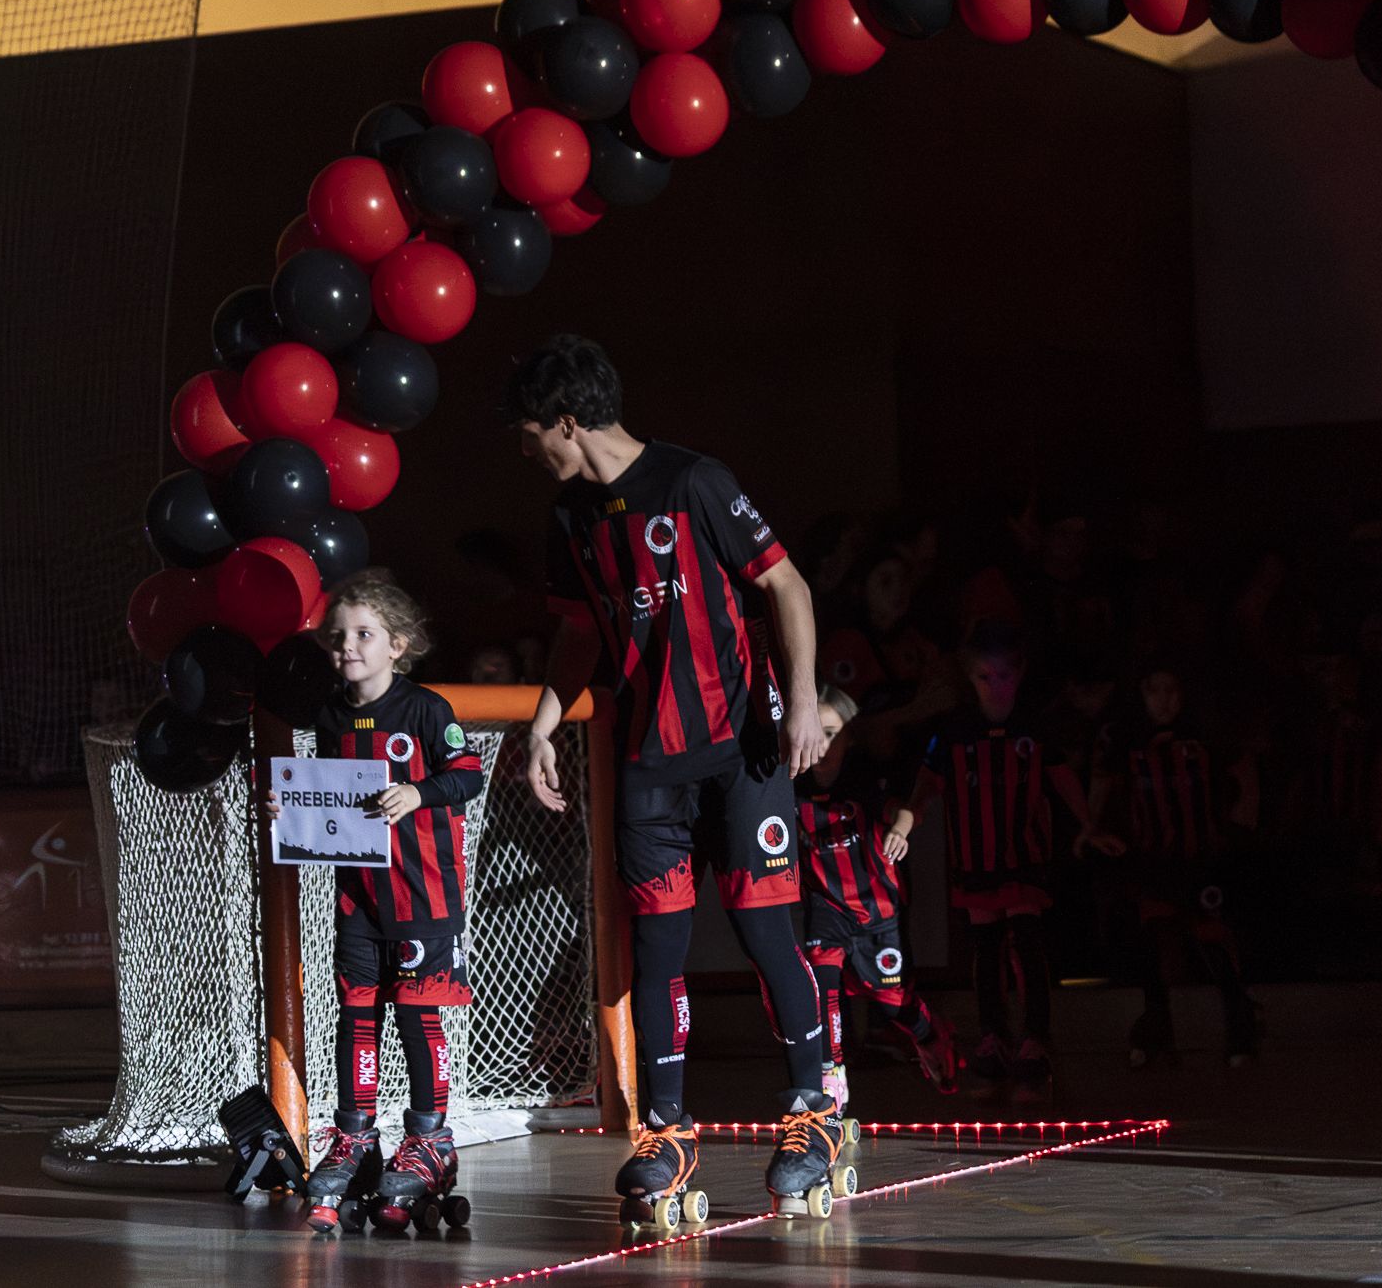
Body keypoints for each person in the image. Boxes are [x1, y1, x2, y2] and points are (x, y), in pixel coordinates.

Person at [509, 334, 846, 1222]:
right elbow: (580, 630)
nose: (529, 451)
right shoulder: (570, 520)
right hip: (649, 766)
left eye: (531, 433)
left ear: (568, 423)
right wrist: (545, 723)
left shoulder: (697, 481)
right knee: (657, 948)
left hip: (742, 754)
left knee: (764, 931)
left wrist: (803, 704)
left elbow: (790, 589)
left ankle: (815, 1112)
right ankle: (666, 1130)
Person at [269, 572, 484, 1234]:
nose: (348, 646)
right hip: (357, 898)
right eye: (338, 636)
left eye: (364, 634)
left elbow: (467, 773)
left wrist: (419, 793)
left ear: (399, 644)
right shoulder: (330, 714)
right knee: (355, 1013)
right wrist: (290, 807)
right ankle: (356, 1136)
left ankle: (430, 1139)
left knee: (418, 1018)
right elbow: (325, 794)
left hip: (423, 894)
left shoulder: (425, 710)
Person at [887, 620, 1119, 1104]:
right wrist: (902, 828)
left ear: (1020, 674)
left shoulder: (1034, 727)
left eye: (1004, 676)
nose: (996, 687)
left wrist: (1088, 825)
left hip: (1024, 857)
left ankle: (1035, 1041)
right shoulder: (954, 733)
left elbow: (1061, 779)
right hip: (976, 861)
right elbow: (924, 789)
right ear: (970, 679)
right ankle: (994, 1037)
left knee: (1028, 944)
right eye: (984, 678)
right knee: (987, 949)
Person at [797, 685, 958, 1115]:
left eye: (832, 734)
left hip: (876, 910)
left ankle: (929, 1036)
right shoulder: (790, 781)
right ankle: (831, 1080)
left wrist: (901, 830)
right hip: (827, 908)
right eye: (815, 732)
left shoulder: (864, 781)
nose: (821, 744)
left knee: (893, 1004)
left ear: (849, 738)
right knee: (823, 989)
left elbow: (904, 808)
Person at [1092, 660, 1259, 1069]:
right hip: (1151, 861)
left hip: (1202, 858)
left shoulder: (1204, 736)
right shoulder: (1127, 739)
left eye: (1172, 691)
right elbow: (1102, 784)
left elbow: (1245, 775)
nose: (1164, 701)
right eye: (1155, 690)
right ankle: (1156, 1030)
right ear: (1142, 694)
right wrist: (1091, 830)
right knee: (1150, 945)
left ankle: (1241, 1031)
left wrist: (1241, 825)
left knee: (1214, 943)